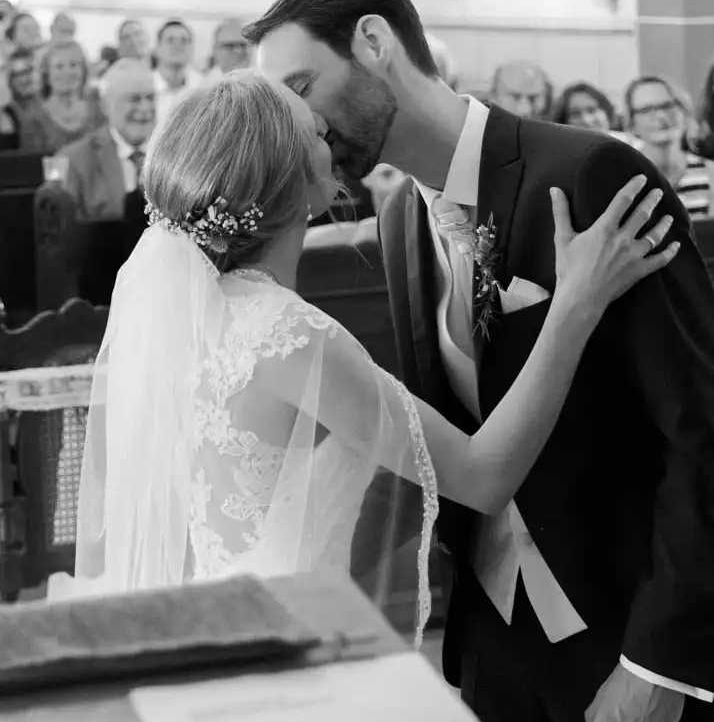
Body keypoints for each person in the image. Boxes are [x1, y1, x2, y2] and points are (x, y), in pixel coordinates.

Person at [245, 0, 714, 722]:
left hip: (626, 642)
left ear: (375, 42)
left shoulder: (592, 174)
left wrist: (660, 665)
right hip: (494, 658)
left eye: (301, 85)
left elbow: (702, 431)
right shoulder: (395, 220)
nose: (296, 123)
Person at [48, 72, 673, 653]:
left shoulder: (200, 319)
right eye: (316, 133)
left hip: (226, 617)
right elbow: (484, 477)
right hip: (286, 632)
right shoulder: (286, 333)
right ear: (287, 183)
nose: (333, 135)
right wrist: (576, 305)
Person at [59, 58, 156, 221]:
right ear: (105, 105)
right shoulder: (75, 161)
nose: (145, 108)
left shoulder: (176, 155)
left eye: (150, 98)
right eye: (134, 99)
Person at [624, 74, 713, 219]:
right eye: (646, 110)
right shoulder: (621, 176)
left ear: (684, 111)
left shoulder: (710, 173)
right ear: (632, 124)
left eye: (667, 106)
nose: (661, 116)